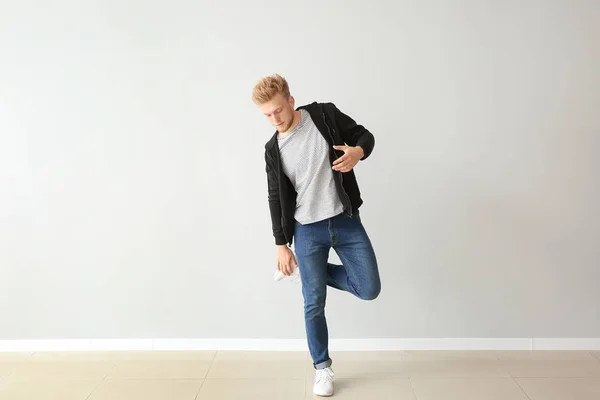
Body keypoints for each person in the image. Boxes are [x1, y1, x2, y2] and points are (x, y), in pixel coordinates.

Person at [253, 74, 381, 397]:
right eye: (267, 115)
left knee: (369, 287)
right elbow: (274, 197)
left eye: (279, 110)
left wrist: (357, 153)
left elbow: (366, 136)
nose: (275, 119)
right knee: (313, 303)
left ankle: (309, 274)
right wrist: (281, 245)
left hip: (344, 221)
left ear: (291, 101)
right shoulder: (272, 151)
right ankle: (322, 368)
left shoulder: (324, 115)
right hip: (307, 231)